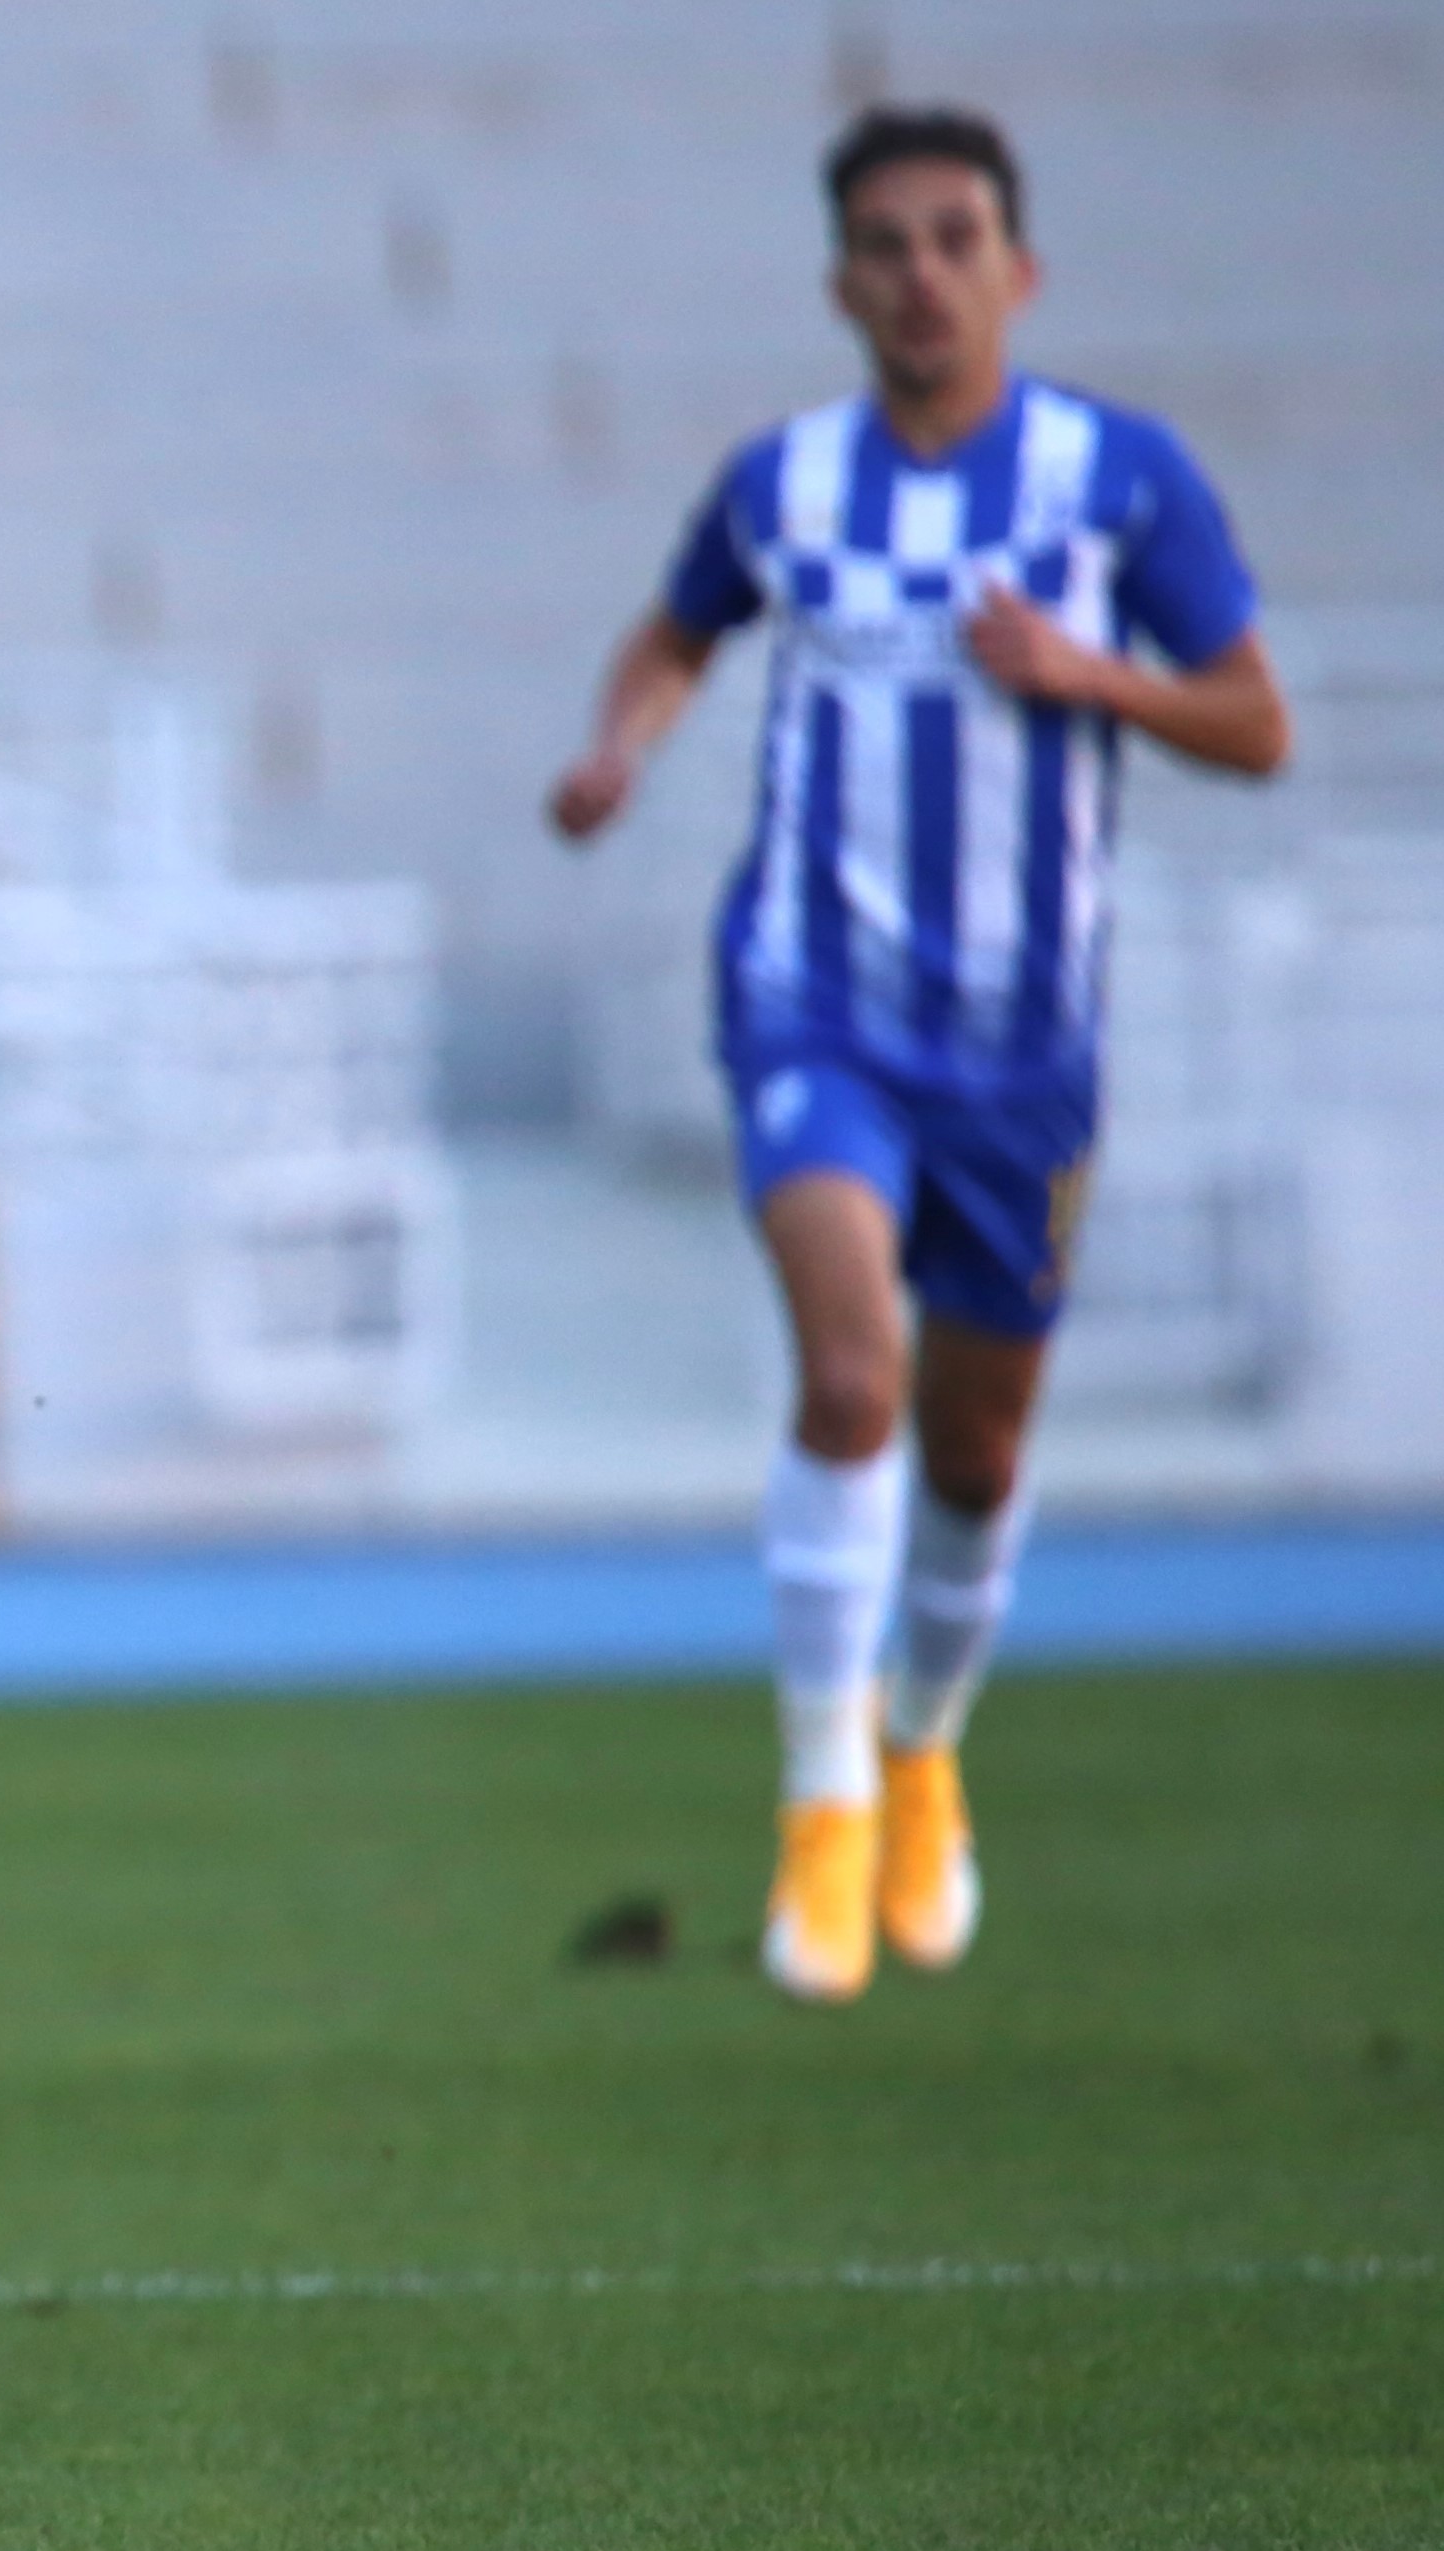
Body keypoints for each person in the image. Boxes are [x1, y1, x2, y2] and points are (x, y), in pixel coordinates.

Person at [549, 106, 1289, 2005]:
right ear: (841, 282)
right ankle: (819, 1805)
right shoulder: (783, 485)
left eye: (956, 236)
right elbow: (674, 630)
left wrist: (1094, 676)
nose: (921, 271)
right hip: (815, 1008)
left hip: (1023, 1054)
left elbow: (1254, 721)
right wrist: (622, 746)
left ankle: (922, 1746)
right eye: (884, 241)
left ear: (1017, 271)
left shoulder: (1117, 482)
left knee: (979, 1438)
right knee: (856, 1372)